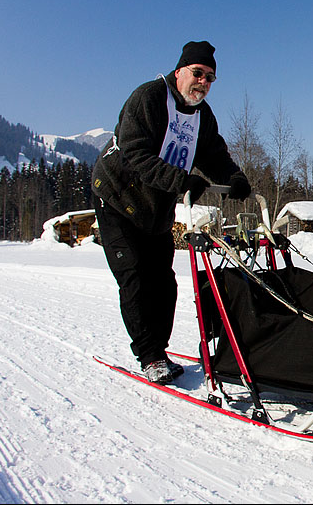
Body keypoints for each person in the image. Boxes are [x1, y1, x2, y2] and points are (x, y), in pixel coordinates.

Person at [91, 40, 251, 384]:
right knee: (135, 278)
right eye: (197, 73)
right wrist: (180, 180)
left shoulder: (202, 116)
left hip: (156, 206)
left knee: (163, 282)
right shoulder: (148, 98)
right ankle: (150, 356)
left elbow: (214, 156)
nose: (203, 82)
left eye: (210, 78)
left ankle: (159, 348)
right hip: (117, 198)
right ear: (179, 71)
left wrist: (234, 179)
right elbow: (135, 154)